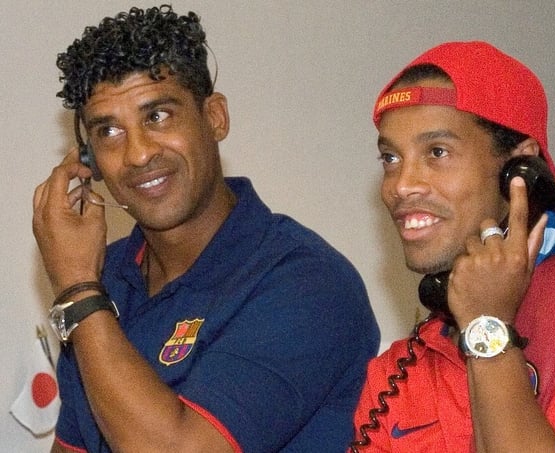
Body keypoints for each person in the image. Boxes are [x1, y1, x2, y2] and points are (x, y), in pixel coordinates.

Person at [32, 5, 380, 452]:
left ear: (214, 117)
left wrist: (78, 293)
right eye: (109, 132)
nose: (138, 154)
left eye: (158, 116)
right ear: (88, 162)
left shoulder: (307, 281)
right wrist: (85, 289)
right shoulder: (106, 278)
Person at [350, 41, 555, 452]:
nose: (401, 185)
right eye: (391, 159)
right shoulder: (398, 372)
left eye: (437, 152)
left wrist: (487, 329)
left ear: (518, 170)